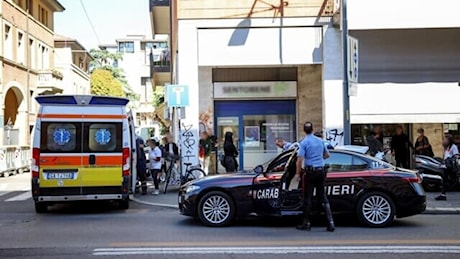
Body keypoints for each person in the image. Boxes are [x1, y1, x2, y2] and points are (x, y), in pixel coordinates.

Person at [295, 122, 335, 232]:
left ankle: (306, 223)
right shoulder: (320, 141)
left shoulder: (304, 142)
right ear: (312, 129)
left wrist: (298, 174)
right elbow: (327, 155)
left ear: (304, 130)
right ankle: (330, 223)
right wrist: (318, 160)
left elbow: (299, 160)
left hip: (310, 172)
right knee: (322, 196)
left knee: (308, 197)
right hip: (321, 171)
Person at [435, 134, 459, 201]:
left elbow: (456, 155)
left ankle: (443, 194)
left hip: (450, 166)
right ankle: (443, 194)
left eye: (445, 139)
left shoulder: (453, 147)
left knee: (452, 181)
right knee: (444, 181)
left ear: (449, 140)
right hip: (446, 166)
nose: (444, 141)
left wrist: (450, 160)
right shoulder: (446, 147)